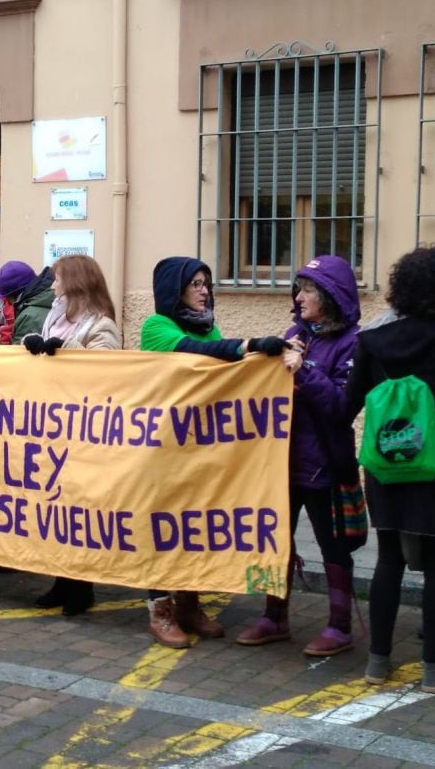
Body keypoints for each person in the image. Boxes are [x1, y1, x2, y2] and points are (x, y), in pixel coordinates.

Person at [346, 246, 435, 693]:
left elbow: (350, 401)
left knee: (389, 559)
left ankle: (377, 662)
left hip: (387, 462)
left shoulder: (373, 339)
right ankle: (433, 669)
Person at [139, 256, 287, 648]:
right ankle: (161, 610)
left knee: (194, 527)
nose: (205, 291)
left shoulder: (212, 327)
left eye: (207, 283)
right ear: (176, 290)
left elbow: (226, 371)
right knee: (164, 530)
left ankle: (189, 604)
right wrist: (249, 345)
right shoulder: (157, 327)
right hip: (163, 448)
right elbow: (198, 353)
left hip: (200, 449)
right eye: (196, 284)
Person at [235, 255, 361, 656]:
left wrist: (302, 368)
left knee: (333, 547)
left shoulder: (353, 342)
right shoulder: (295, 332)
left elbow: (343, 405)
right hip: (283, 462)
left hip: (325, 466)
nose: (299, 295)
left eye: (308, 289)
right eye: (299, 287)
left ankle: (340, 626)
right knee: (277, 541)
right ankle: (274, 617)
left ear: (330, 296)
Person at [22, 254, 121, 616]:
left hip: (83, 429)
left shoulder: (101, 324)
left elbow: (105, 371)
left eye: (57, 278)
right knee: (54, 508)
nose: (51, 285)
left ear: (76, 281)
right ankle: (61, 580)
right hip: (51, 425)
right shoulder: (55, 316)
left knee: (78, 509)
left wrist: (64, 351)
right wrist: (32, 346)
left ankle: (82, 586)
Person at [0, 260, 55, 345]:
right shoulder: (48, 297)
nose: (8, 303)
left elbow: (20, 356)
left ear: (12, 297)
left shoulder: (28, 317)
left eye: (6, 298)